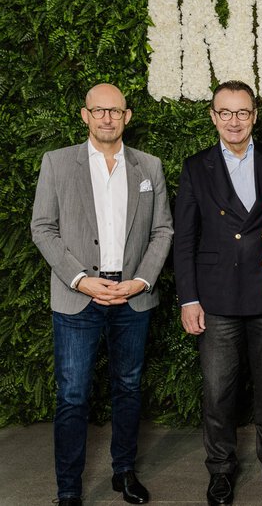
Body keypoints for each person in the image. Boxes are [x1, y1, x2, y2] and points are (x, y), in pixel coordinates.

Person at [31, 83, 173, 506]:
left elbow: (162, 229)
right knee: (72, 395)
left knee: (128, 388)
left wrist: (141, 280)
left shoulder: (149, 166)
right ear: (85, 115)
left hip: (132, 295)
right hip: (79, 297)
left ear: (127, 116)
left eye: (115, 111)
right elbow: (43, 227)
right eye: (99, 111)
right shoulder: (57, 163)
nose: (107, 118)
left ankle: (124, 471)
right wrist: (79, 278)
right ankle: (69, 490)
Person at [173, 80, 262, 505]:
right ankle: (221, 469)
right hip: (217, 297)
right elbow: (185, 239)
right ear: (213, 116)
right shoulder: (196, 167)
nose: (234, 121)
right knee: (218, 391)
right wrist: (188, 299)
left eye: (242, 112)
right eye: (225, 112)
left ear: (254, 116)